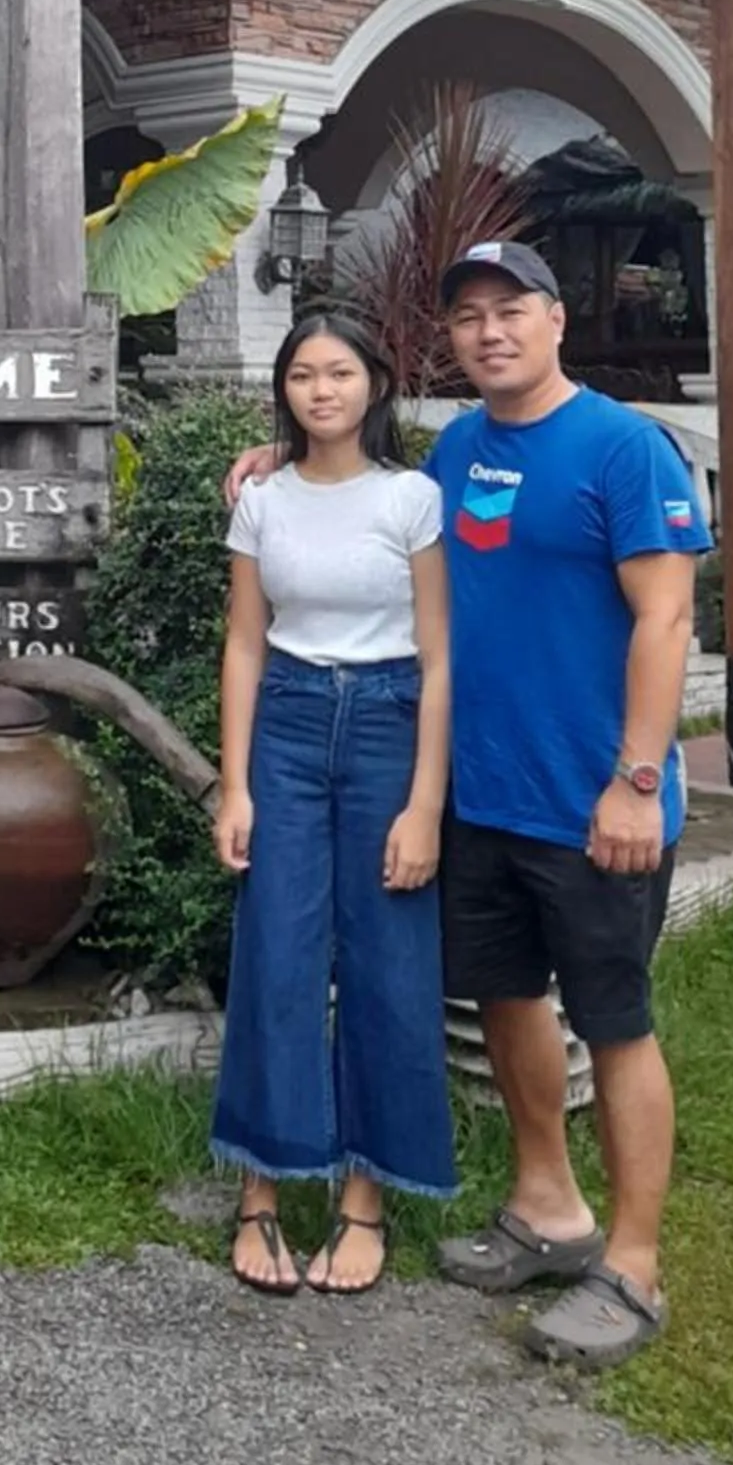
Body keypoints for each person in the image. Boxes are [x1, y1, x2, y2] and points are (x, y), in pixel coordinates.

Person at [229, 239, 709, 1367]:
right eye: (468, 317)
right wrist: (276, 454)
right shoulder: (455, 454)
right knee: (506, 999)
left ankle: (633, 1266)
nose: (490, 332)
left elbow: (668, 618)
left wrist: (638, 779)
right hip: (483, 797)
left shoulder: (626, 447)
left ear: (556, 319)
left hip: (596, 798)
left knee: (616, 1022)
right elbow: (351, 496)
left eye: (512, 310)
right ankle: (547, 1207)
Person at [214, 310, 455, 1297]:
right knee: (275, 951)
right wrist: (234, 785)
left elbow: (439, 657)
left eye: (341, 373)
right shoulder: (261, 501)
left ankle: (365, 1198)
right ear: (284, 390)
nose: (322, 391)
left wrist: (425, 804)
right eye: (304, 375)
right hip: (287, 721)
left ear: (375, 385)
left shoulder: (412, 498)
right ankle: (261, 1190)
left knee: (387, 962)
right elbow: (244, 643)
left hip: (390, 724)